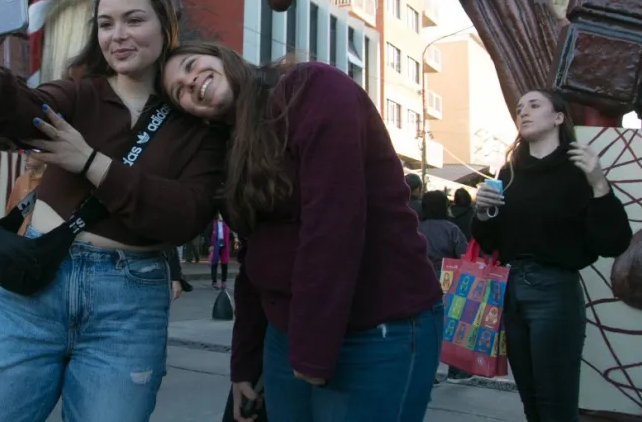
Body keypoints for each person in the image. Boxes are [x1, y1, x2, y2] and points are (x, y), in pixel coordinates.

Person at [0, 0, 226, 422]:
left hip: (130, 303)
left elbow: (183, 216)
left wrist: (90, 161)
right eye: (106, 24)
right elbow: (19, 112)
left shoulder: (193, 123)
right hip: (36, 291)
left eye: (133, 20)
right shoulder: (78, 93)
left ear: (164, 25)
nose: (118, 36)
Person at [162, 42, 443, 422]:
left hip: (376, 327)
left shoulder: (311, 88)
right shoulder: (233, 147)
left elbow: (334, 222)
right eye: (179, 91)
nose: (191, 82)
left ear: (223, 56)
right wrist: (246, 363)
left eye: (192, 65)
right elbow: (256, 255)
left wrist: (313, 349)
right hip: (286, 336)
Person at [472, 90, 632, 422]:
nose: (523, 112)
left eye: (534, 105)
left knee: (555, 406)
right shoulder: (509, 173)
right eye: (519, 109)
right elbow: (491, 242)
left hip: (554, 293)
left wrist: (600, 185)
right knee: (531, 403)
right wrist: (484, 212)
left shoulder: (578, 169)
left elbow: (614, 243)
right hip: (512, 290)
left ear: (558, 117)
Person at [418, 190, 470, 384]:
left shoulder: (417, 227)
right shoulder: (451, 229)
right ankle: (455, 371)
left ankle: (426, 373)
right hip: (449, 282)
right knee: (452, 325)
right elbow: (464, 254)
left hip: (421, 282)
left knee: (425, 328)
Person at [208, 211, 231, 289]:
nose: (221, 216)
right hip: (215, 245)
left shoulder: (226, 224)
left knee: (224, 264)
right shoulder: (213, 223)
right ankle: (214, 281)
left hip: (224, 245)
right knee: (214, 264)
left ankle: (223, 281)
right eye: (220, 214)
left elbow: (230, 235)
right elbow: (207, 234)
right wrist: (210, 245)